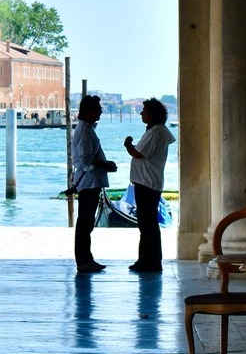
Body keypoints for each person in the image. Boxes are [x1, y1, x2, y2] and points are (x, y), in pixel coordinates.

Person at [123, 98, 176, 272]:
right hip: (150, 182)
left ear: (151, 114)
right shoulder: (158, 131)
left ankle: (148, 262)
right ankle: (149, 260)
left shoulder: (155, 132)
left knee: (146, 225)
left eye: (144, 111)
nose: (141, 113)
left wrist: (128, 144)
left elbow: (138, 154)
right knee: (149, 225)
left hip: (146, 183)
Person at [71, 95, 117, 273]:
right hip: (88, 183)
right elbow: (85, 160)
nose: (101, 111)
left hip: (91, 182)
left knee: (87, 222)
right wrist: (106, 165)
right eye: (98, 109)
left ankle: (86, 258)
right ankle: (83, 261)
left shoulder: (87, 129)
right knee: (85, 223)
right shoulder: (84, 131)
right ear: (89, 111)